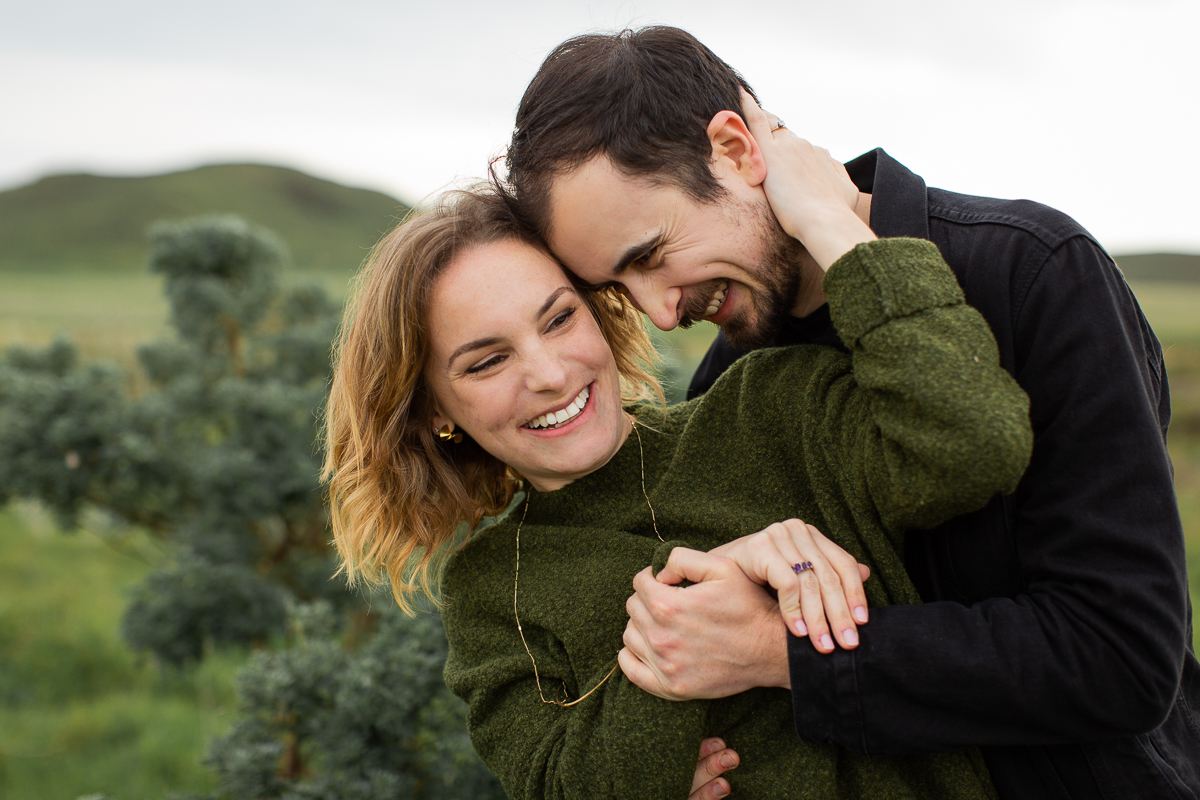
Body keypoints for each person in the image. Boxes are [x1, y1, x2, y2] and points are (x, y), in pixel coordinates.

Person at [499, 25, 1200, 800]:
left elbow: (1120, 659)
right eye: (618, 291)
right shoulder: (730, 381)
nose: (661, 315)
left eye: (651, 253)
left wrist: (786, 655)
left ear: (734, 149)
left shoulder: (1029, 272)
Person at [322, 168, 1033, 799]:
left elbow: (974, 445)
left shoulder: (768, 408)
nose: (547, 374)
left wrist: (830, 224)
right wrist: (702, 592)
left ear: (600, 310)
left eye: (559, 318)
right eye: (485, 362)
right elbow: (560, 786)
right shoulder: (489, 589)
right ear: (436, 413)